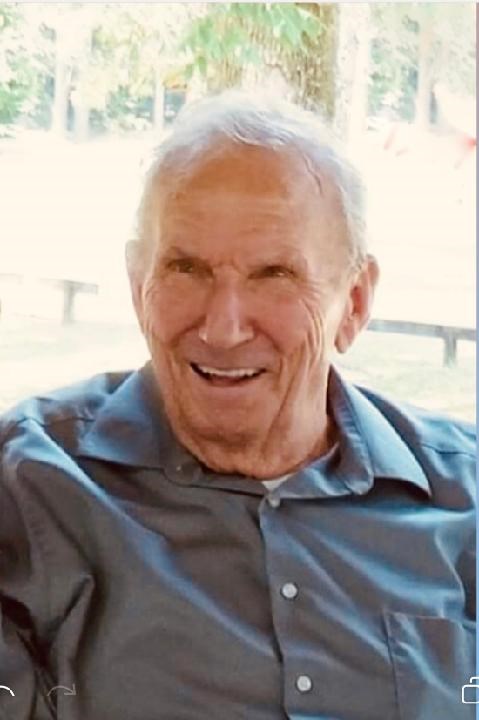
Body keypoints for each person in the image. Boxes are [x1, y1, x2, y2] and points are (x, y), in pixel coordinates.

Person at [0, 91, 475, 720]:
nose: (223, 329)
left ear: (354, 304)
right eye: (185, 268)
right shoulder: (30, 485)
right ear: (139, 287)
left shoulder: (464, 495)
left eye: (274, 274)